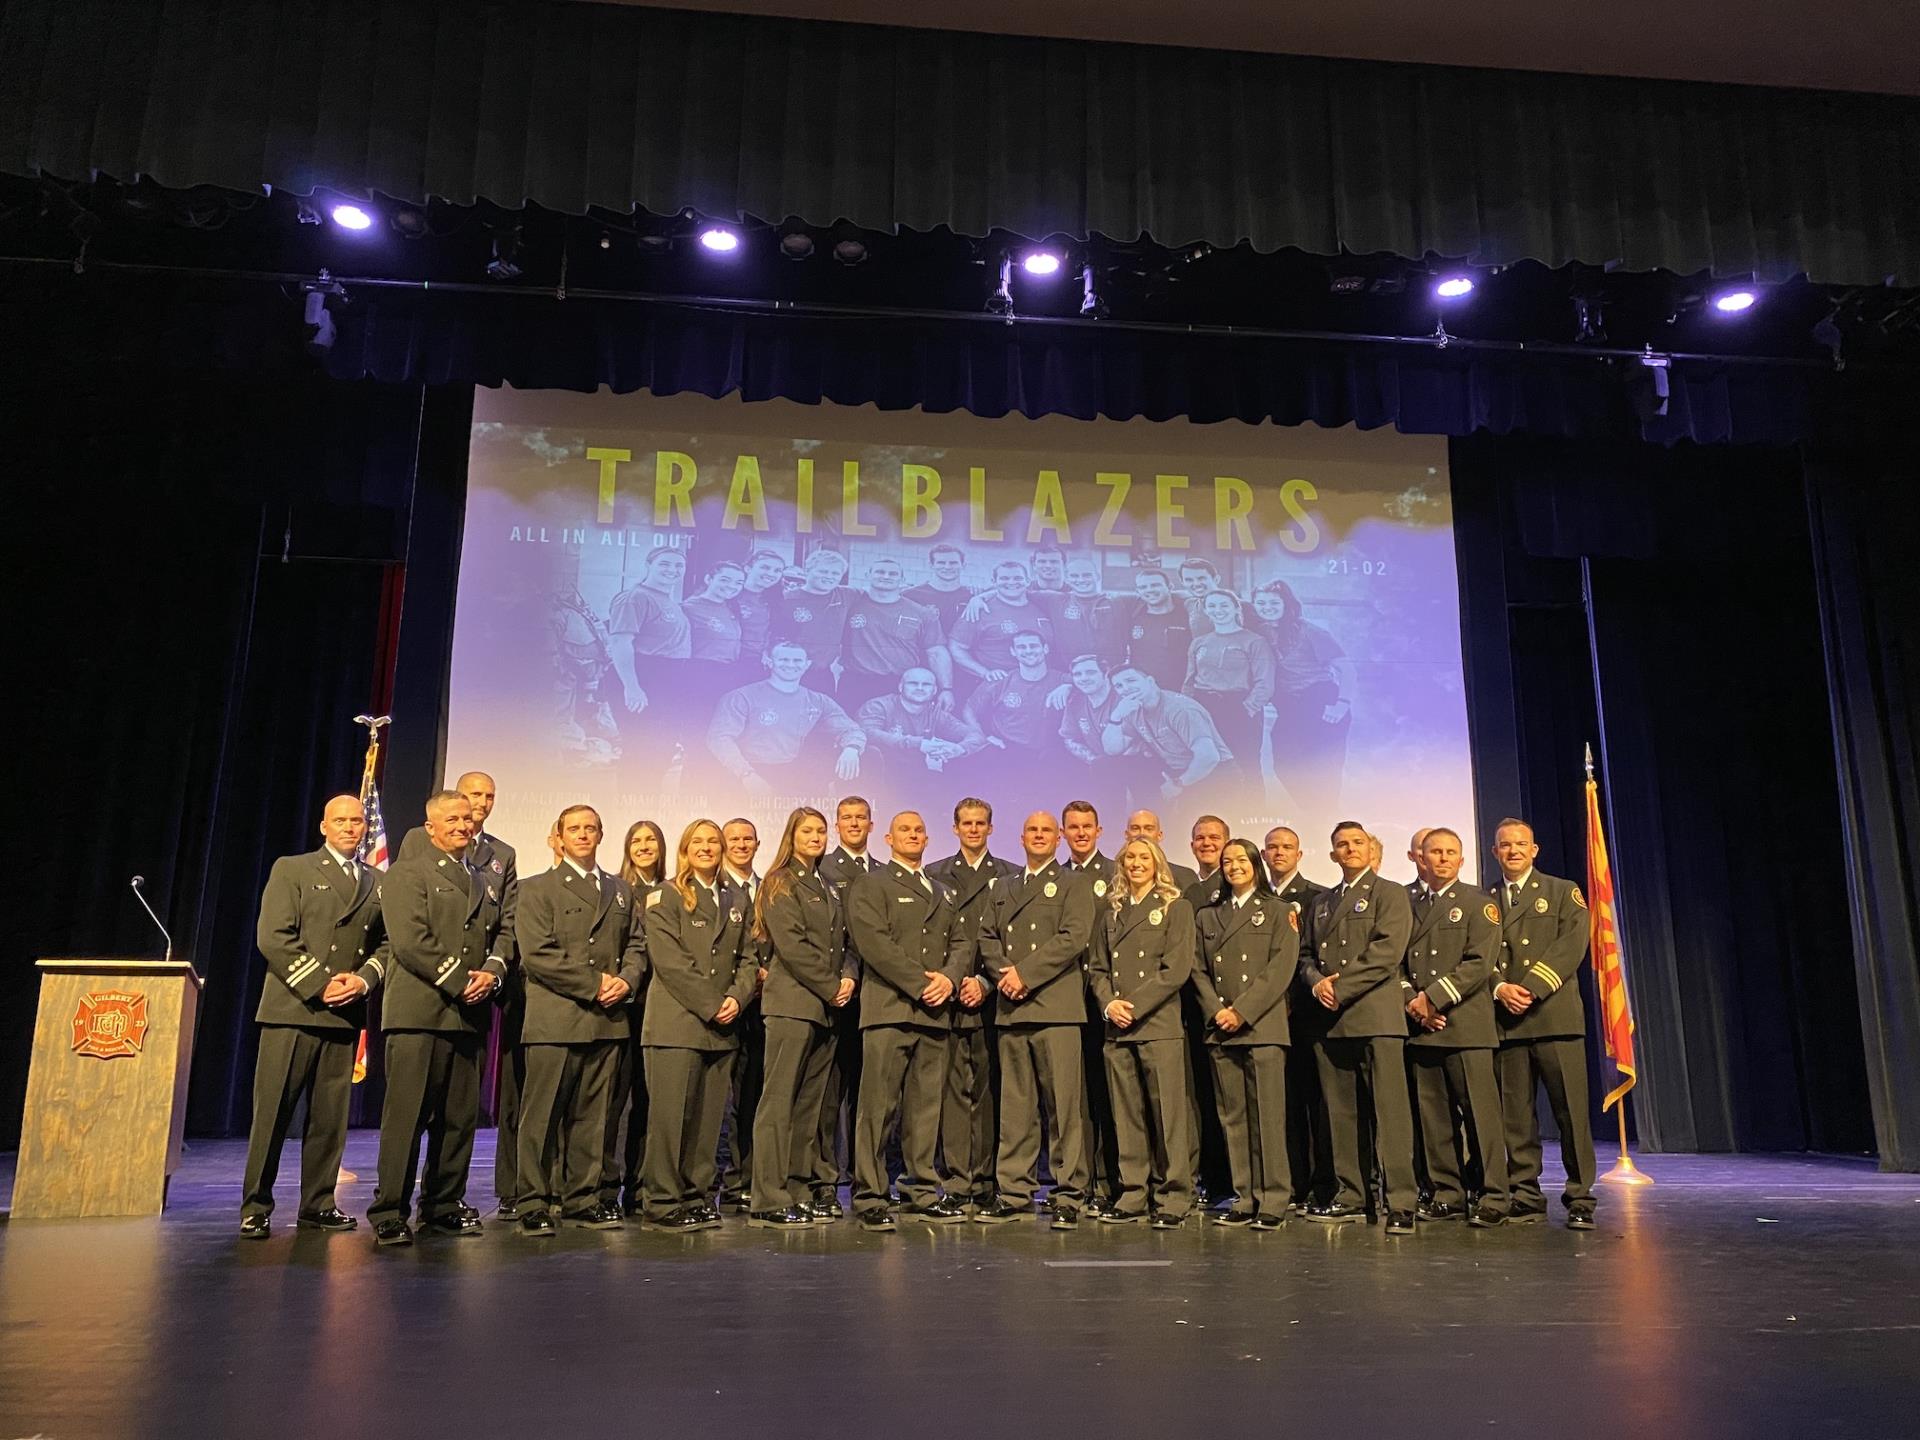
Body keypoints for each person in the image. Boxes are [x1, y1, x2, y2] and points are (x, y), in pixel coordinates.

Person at [240, 794, 388, 1238]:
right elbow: (274, 936)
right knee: (273, 1116)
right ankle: (256, 1207)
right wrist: (320, 982)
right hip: (293, 1008)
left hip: (344, 1013)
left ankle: (319, 1204)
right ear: (323, 826)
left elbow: (388, 944)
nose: (350, 827)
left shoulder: (378, 881)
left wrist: (363, 980)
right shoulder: (293, 868)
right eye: (340, 820)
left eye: (357, 820)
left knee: (329, 1119)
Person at [369, 790, 510, 1246]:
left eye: (467, 819)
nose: (462, 826)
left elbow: (497, 935)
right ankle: (390, 1209)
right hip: (420, 1012)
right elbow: (410, 940)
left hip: (469, 1015)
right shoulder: (407, 873)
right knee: (407, 1117)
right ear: (430, 827)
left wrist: (492, 972)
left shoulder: (483, 878)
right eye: (452, 819)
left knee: (458, 1119)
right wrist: (458, 979)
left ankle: (444, 1203)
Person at [512, 804, 645, 1236]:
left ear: (602, 835)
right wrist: (595, 982)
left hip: (608, 1018)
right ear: (559, 837)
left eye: (591, 828)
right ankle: (532, 1200)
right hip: (557, 1018)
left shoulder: (620, 889)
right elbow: (537, 955)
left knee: (595, 1117)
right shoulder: (536, 888)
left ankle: (582, 1198)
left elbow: (638, 946)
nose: (583, 835)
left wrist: (625, 981)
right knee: (542, 1117)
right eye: (575, 829)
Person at [845, 811, 973, 1230]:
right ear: (888, 838)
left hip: (934, 1014)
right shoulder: (871, 884)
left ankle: (921, 1191)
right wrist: (922, 984)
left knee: (924, 1111)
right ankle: (870, 1196)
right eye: (905, 830)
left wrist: (950, 979)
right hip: (889, 1011)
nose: (914, 835)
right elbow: (874, 944)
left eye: (919, 830)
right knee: (878, 1109)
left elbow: (961, 941)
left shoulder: (943, 890)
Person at [974, 812, 1097, 1228]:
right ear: (1021, 837)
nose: (1039, 836)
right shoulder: (1004, 886)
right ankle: (1013, 1190)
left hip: (1056, 1008)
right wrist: (1005, 976)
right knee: (1016, 1108)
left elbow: (1073, 937)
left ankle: (1068, 1192)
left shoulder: (1074, 884)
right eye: (1032, 830)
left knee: (1063, 1107)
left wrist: (1024, 974)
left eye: (1047, 830)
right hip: (1012, 1009)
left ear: (1058, 838)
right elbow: (986, 936)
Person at [639, 819, 757, 1231]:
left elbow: (749, 959)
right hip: (677, 1024)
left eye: (713, 842)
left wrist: (736, 999)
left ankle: (696, 1195)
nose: (706, 848)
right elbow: (670, 963)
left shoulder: (736, 897)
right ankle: (662, 1201)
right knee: (672, 1120)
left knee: (709, 1123)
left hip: (722, 1026)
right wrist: (713, 1003)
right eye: (698, 842)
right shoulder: (664, 896)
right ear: (685, 850)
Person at [1302, 821, 1418, 1232]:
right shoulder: (1321, 901)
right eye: (1341, 845)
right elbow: (1305, 956)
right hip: (1331, 1021)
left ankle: (1401, 1201)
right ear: (1332, 854)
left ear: (1370, 849)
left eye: (1357, 843)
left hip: (1376, 1017)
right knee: (1342, 1114)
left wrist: (1341, 988)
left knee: (1390, 1114)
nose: (1349, 849)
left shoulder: (1391, 893)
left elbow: (1386, 952)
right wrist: (1317, 984)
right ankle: (1352, 1195)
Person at [1490, 818, 1597, 1229]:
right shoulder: (1486, 897)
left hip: (1553, 1017)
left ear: (1535, 850)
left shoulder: (1562, 890)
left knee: (1571, 1114)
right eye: (1505, 845)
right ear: (1496, 851)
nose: (1514, 851)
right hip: (1508, 1021)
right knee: (1515, 1118)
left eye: (1521, 844)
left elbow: (1572, 945)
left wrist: (1530, 988)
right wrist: (1500, 988)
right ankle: (1526, 1195)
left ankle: (1581, 1197)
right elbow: (1479, 953)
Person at [1088, 837, 1196, 1228]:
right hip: (1116, 1029)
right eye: (1129, 857)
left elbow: (1176, 970)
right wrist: (1107, 1004)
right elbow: (1097, 970)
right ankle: (1133, 1192)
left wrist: (1131, 1006)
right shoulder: (1111, 911)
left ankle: (1173, 1196)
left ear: (1158, 863)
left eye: (1143, 857)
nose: (1136, 863)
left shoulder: (1175, 907)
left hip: (1157, 1025)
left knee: (1167, 1116)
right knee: (1126, 1115)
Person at [1404, 827, 1509, 1228]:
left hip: (1465, 1025)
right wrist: (1414, 1004)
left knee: (1480, 1116)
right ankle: (1447, 1194)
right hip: (1422, 1027)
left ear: (1462, 861)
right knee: (1435, 1120)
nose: (1443, 858)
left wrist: (1433, 997)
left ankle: (1494, 1194)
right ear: (1420, 858)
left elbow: (1479, 962)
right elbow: (1396, 960)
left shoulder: (1478, 903)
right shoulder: (1405, 902)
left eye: (1451, 852)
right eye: (1435, 852)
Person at [1193, 837, 1299, 1230]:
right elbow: (1197, 969)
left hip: (1262, 1026)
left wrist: (1242, 1011)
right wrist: (1217, 1011)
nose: (1234, 865)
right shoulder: (1207, 915)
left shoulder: (1279, 910)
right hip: (1221, 1028)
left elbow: (1280, 970)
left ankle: (1274, 1198)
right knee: (1233, 1118)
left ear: (1255, 863)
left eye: (1241, 859)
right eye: (1227, 861)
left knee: (1268, 1117)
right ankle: (1245, 1195)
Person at [749, 807, 845, 1228]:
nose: (816, 836)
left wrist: (847, 980)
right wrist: (832, 985)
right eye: (808, 830)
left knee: (809, 1107)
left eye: (821, 830)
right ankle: (768, 1197)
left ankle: (798, 1189)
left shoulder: (826, 885)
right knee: (778, 1102)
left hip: (823, 1009)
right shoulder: (779, 881)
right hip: (792, 1003)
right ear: (792, 834)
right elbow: (792, 945)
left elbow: (842, 943)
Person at [926, 798, 1019, 1211]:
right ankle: (956, 1180)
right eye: (967, 823)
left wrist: (984, 981)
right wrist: (950, 978)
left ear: (991, 828)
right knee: (949, 1095)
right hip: (946, 995)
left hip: (989, 995)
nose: (974, 830)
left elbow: (1007, 940)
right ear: (955, 827)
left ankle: (985, 1180)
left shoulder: (1010, 876)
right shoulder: (934, 874)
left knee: (988, 1093)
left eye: (981, 823)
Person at [812, 798, 875, 1218]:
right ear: (837, 825)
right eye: (846, 818)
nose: (853, 824)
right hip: (834, 995)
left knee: (870, 1097)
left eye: (860, 818)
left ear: (872, 824)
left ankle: (870, 1182)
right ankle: (823, 1183)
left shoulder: (886, 872)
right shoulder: (822, 870)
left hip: (877, 998)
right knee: (827, 1096)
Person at [1263, 825, 1331, 1211]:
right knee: (1281, 1106)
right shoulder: (1256, 898)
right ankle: (1291, 1182)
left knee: (1314, 1102)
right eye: (1272, 847)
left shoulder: (1315, 897)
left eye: (1287, 847)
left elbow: (1310, 956)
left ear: (1300, 854)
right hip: (1267, 1017)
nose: (1279, 853)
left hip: (1305, 1014)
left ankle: (1321, 1184)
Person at [707, 641, 866, 798]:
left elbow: (851, 729)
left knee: (868, 757)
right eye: (783, 660)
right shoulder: (741, 697)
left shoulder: (817, 700)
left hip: (790, 769)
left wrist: (851, 748)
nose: (791, 665)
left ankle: (849, 812)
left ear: (807, 665)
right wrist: (746, 775)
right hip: (748, 769)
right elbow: (718, 738)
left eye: (797, 661)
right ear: (769, 661)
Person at [1061, 799, 1120, 1216]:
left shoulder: (1116, 874)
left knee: (1107, 1096)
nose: (1081, 833)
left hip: (1104, 999)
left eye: (1087, 827)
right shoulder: (1055, 877)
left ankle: (1109, 1179)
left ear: (1099, 831)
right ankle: (1077, 1180)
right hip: (1063, 1001)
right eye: (1073, 827)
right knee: (1073, 1100)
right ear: (1064, 833)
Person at [1251, 579, 1354, 817]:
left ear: (1287, 604)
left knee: (1323, 770)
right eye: (1261, 602)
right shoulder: (1261, 632)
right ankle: (1318, 814)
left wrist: (1342, 704)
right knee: (1284, 765)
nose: (1267, 607)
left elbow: (1347, 669)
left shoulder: (1310, 631)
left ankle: (1326, 819)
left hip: (1321, 700)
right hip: (1290, 707)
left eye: (1274, 602)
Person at [605, 820, 666, 1216]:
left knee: (649, 1104)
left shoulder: (676, 890)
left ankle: (641, 1186)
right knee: (614, 1103)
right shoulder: (615, 889)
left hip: (659, 1010)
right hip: (622, 1008)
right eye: (637, 840)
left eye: (651, 840)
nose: (644, 847)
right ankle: (606, 1186)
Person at [715, 818, 767, 1212]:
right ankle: (724, 1180)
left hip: (764, 1008)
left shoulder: (769, 888)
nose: (741, 845)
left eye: (748, 839)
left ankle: (746, 1179)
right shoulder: (715, 889)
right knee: (721, 1101)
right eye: (734, 839)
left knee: (752, 1097)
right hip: (725, 1005)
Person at [609, 548, 692, 782]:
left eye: (679, 566)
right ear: (648, 565)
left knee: (662, 749)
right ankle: (633, 810)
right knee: (640, 749)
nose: (673, 570)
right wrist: (632, 686)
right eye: (665, 564)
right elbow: (620, 641)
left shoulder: (669, 600)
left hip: (666, 678)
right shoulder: (634, 598)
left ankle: (648, 809)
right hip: (643, 674)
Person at [838, 557, 955, 713]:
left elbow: (936, 652)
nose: (886, 576)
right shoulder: (850, 604)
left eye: (893, 574)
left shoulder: (920, 613)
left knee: (894, 734)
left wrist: (946, 689)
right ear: (867, 575)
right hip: (855, 682)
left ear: (902, 579)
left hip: (898, 685)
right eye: (880, 572)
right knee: (850, 733)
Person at [1103, 667, 1233, 807]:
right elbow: (1112, 749)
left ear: (1150, 681)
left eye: (1131, 680)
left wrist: (1179, 784)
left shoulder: (1180, 709)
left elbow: (1209, 756)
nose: (1126, 688)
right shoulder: (1131, 709)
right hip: (1178, 773)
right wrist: (1116, 716)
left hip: (1215, 774)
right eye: (1119, 686)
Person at [1184, 591, 1275, 784]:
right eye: (1212, 606)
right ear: (1207, 611)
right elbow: (1189, 681)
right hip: (1204, 706)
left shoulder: (1255, 641)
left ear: (1236, 608)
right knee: (1211, 764)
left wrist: (1247, 709)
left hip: (1238, 706)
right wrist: (1189, 710)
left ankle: (1252, 812)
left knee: (1246, 765)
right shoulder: (1199, 642)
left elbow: (1265, 682)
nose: (1218, 611)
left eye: (1224, 605)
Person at [856, 667, 986, 782]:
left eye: (926, 684)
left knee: (983, 755)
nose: (920, 688)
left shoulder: (935, 713)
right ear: (900, 687)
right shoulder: (879, 706)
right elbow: (867, 732)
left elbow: (975, 735)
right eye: (913, 683)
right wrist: (918, 743)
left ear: (934, 690)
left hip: (915, 777)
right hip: (881, 774)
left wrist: (959, 749)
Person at [962, 630, 1067, 763]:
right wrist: (982, 737)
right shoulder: (1000, 681)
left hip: (1050, 754)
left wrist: (1070, 687)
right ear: (1013, 651)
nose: (1028, 651)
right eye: (1021, 647)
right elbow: (969, 710)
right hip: (1007, 751)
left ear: (1045, 649)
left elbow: (1092, 685)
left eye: (1033, 646)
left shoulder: (1062, 680)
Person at [950, 561, 1054, 684]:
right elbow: (956, 647)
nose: (1011, 582)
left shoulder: (1043, 605)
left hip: (1042, 684)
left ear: (1027, 581)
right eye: (1004, 578)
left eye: (1017, 578)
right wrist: (985, 672)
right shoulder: (979, 610)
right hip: (999, 686)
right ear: (994, 581)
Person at [770, 548, 853, 691]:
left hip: (822, 674)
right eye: (823, 571)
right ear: (807, 570)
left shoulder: (847, 595)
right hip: (789, 672)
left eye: (835, 573)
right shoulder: (786, 599)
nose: (829, 576)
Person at [680, 559, 747, 713]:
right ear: (708, 579)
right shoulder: (689, 607)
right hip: (700, 672)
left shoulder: (730, 607)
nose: (732, 586)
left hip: (728, 672)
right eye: (725, 580)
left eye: (738, 582)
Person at [1119, 569, 1193, 691]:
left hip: (1180, 691)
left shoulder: (1187, 616)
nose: (1149, 590)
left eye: (1155, 585)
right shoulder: (1132, 617)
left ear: (1170, 587)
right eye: (1143, 587)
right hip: (1145, 691)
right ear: (1138, 591)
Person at [730, 548, 789, 685]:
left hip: (759, 665)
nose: (771, 573)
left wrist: (769, 651)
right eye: (765, 567)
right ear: (748, 568)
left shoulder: (776, 601)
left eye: (777, 571)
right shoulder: (731, 594)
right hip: (731, 662)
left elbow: (775, 633)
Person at [905, 541, 978, 636]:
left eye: (953, 563)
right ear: (931, 565)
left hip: (962, 650)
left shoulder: (973, 596)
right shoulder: (911, 596)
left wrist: (982, 597)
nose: (947, 567)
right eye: (941, 563)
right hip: (923, 650)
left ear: (963, 565)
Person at [1127, 811, 1200, 891]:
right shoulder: (1113, 876)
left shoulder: (1184, 876)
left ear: (1159, 835)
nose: (1142, 834)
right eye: (1135, 829)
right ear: (1127, 835)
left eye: (1149, 829)